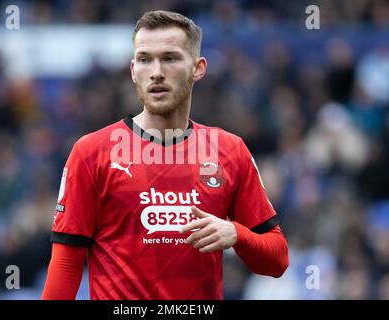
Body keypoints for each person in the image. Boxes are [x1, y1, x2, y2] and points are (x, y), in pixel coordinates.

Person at [42, 10, 289, 300]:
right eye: (145, 59)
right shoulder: (92, 153)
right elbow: (66, 265)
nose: (156, 72)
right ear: (134, 70)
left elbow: (277, 260)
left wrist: (237, 234)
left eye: (170, 58)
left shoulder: (229, 151)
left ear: (198, 68)